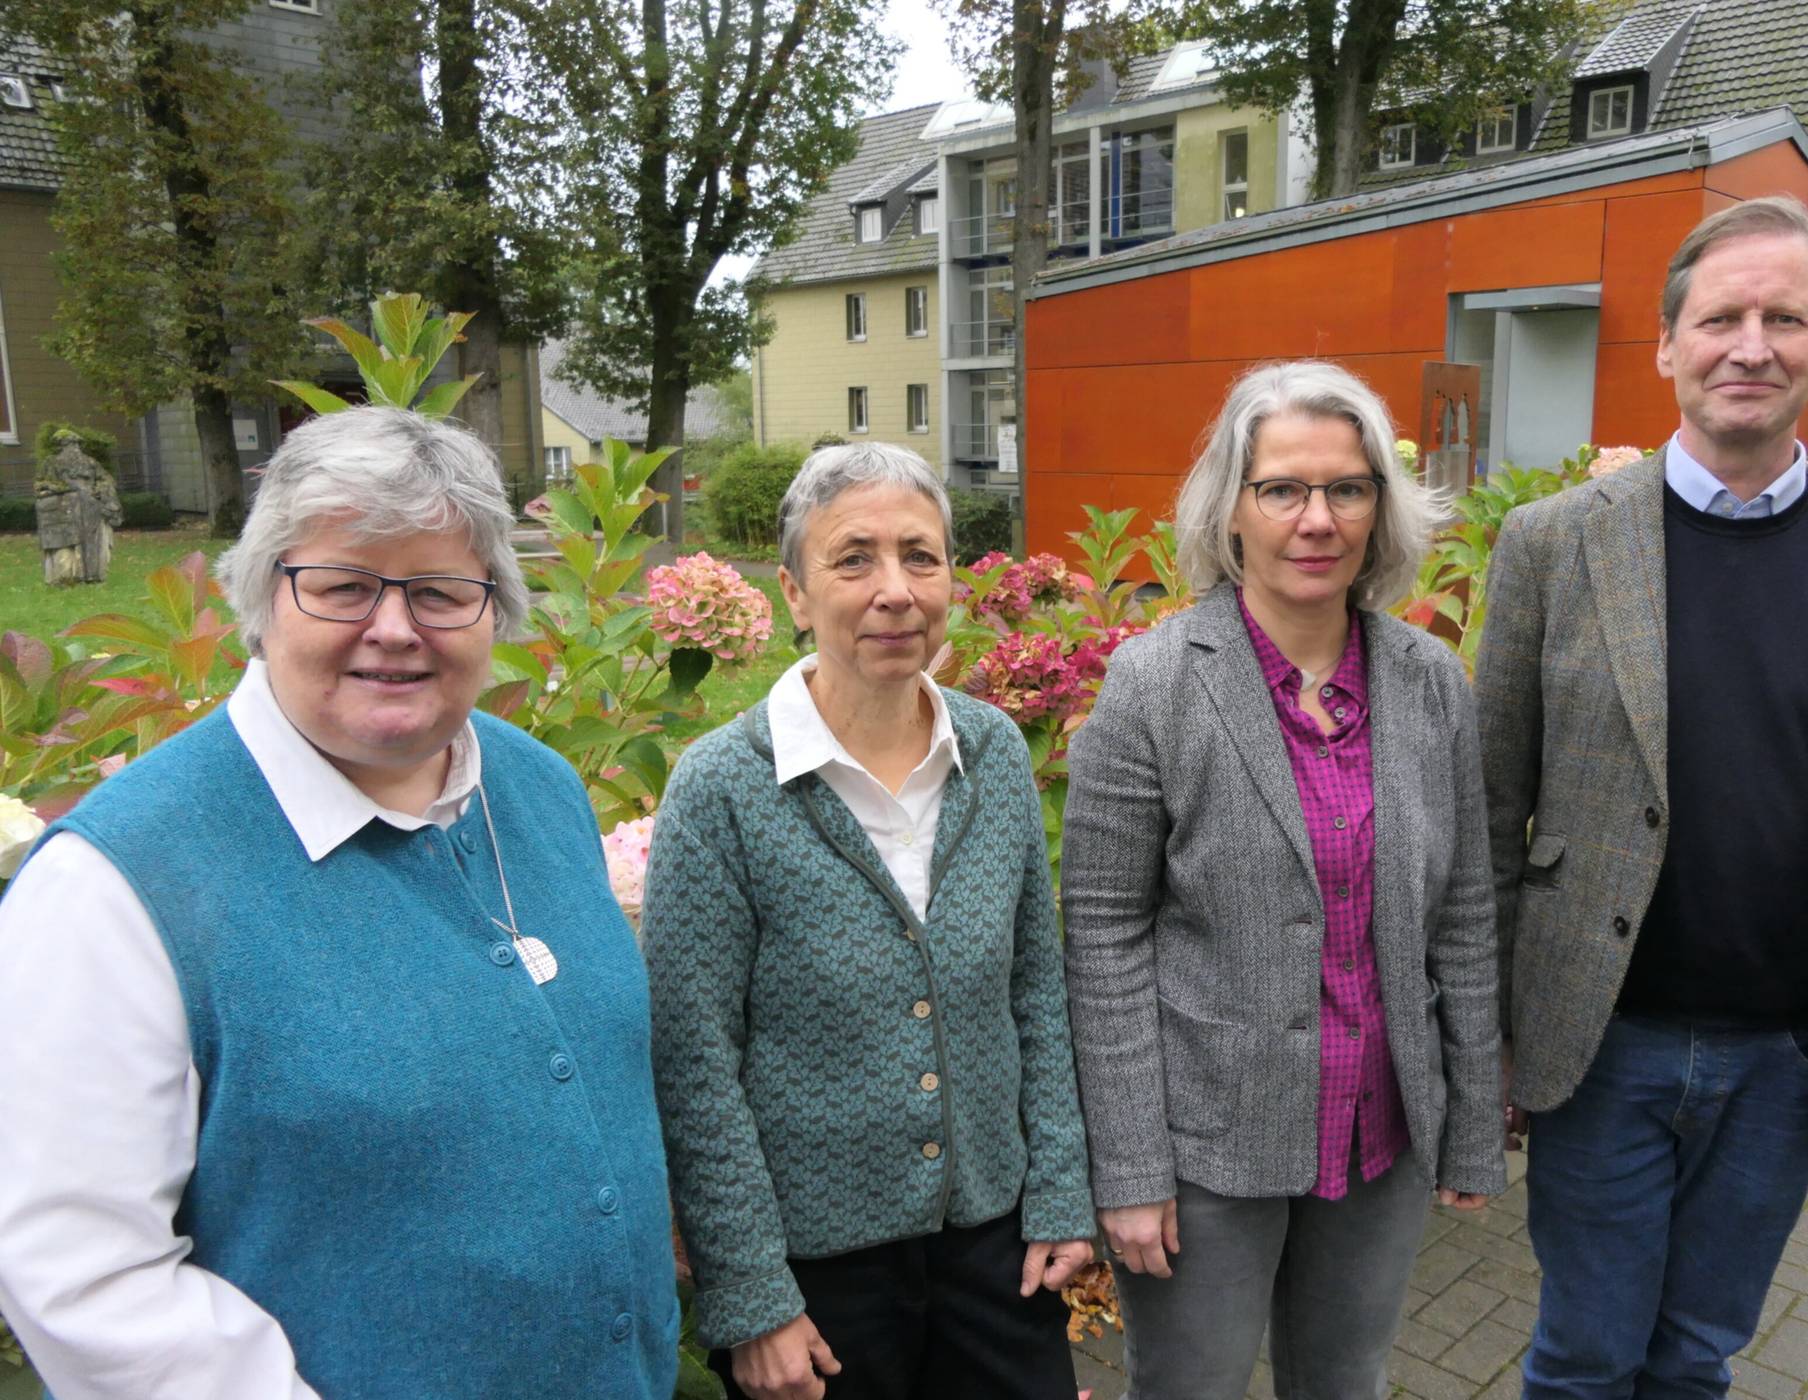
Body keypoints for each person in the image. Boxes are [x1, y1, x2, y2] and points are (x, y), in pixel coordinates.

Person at [0, 407, 680, 1399]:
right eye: (343, 585)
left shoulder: (537, 787)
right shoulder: (113, 889)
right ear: (263, 596)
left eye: (441, 590)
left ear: (495, 608)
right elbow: (86, 1280)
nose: (394, 628)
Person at [1476, 194, 1808, 1399]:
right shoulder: (1552, 544)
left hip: (1787, 1061)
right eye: (1720, 318)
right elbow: (1486, 819)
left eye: (1783, 318)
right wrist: (1484, 1044)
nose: (1751, 345)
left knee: (1696, 1355)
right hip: (1601, 1046)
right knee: (1586, 1355)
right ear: (1666, 344)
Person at [1061, 360, 1505, 1400]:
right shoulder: (1155, 683)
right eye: (1282, 489)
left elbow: (1464, 913)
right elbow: (1103, 937)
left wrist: (1473, 1123)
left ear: (1379, 506)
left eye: (1347, 488)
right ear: (1231, 507)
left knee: (1345, 1382)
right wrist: (1129, 1165)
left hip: (1379, 1131)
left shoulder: (1429, 682)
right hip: (1206, 1144)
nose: (1317, 519)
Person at [643, 442, 1094, 1400]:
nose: (896, 590)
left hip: (996, 1245)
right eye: (854, 559)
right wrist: (750, 1295)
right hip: (814, 1280)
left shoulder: (993, 751)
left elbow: (1035, 989)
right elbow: (693, 1059)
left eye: (920, 556)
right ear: (795, 594)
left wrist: (1059, 1188)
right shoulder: (722, 788)